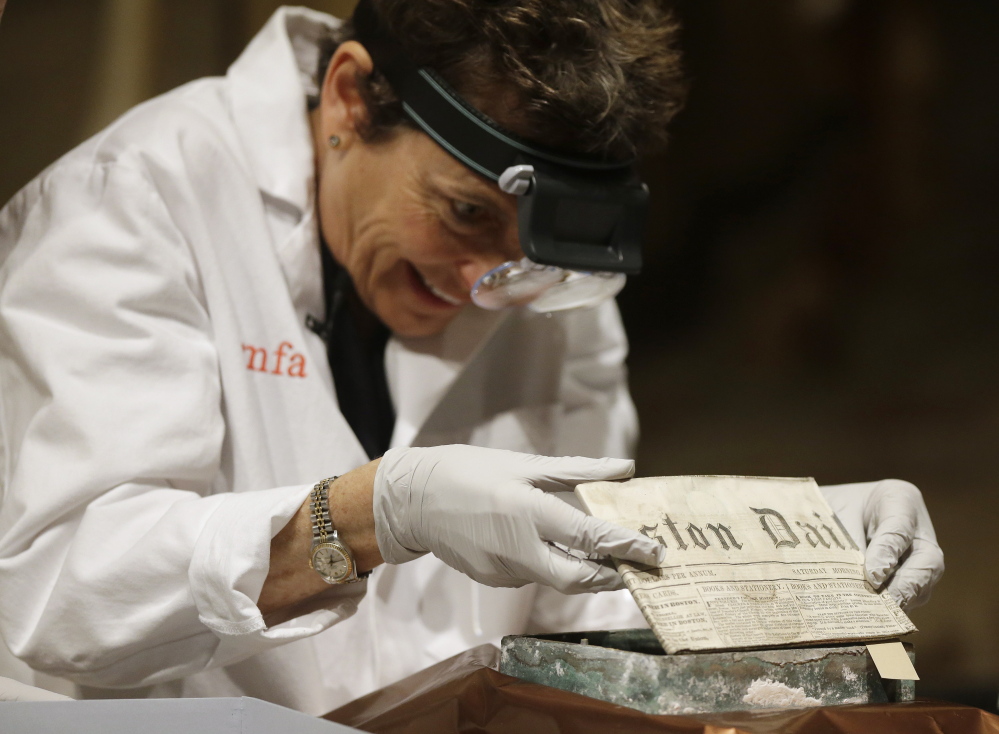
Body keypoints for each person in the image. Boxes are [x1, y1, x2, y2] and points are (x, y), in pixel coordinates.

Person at [0, 0, 942, 716]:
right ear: (350, 97)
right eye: (462, 214)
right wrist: (371, 515)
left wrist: (780, 558)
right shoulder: (135, 203)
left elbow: (574, 618)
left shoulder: (545, 287)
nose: (482, 281)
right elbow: (60, 601)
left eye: (529, 254)